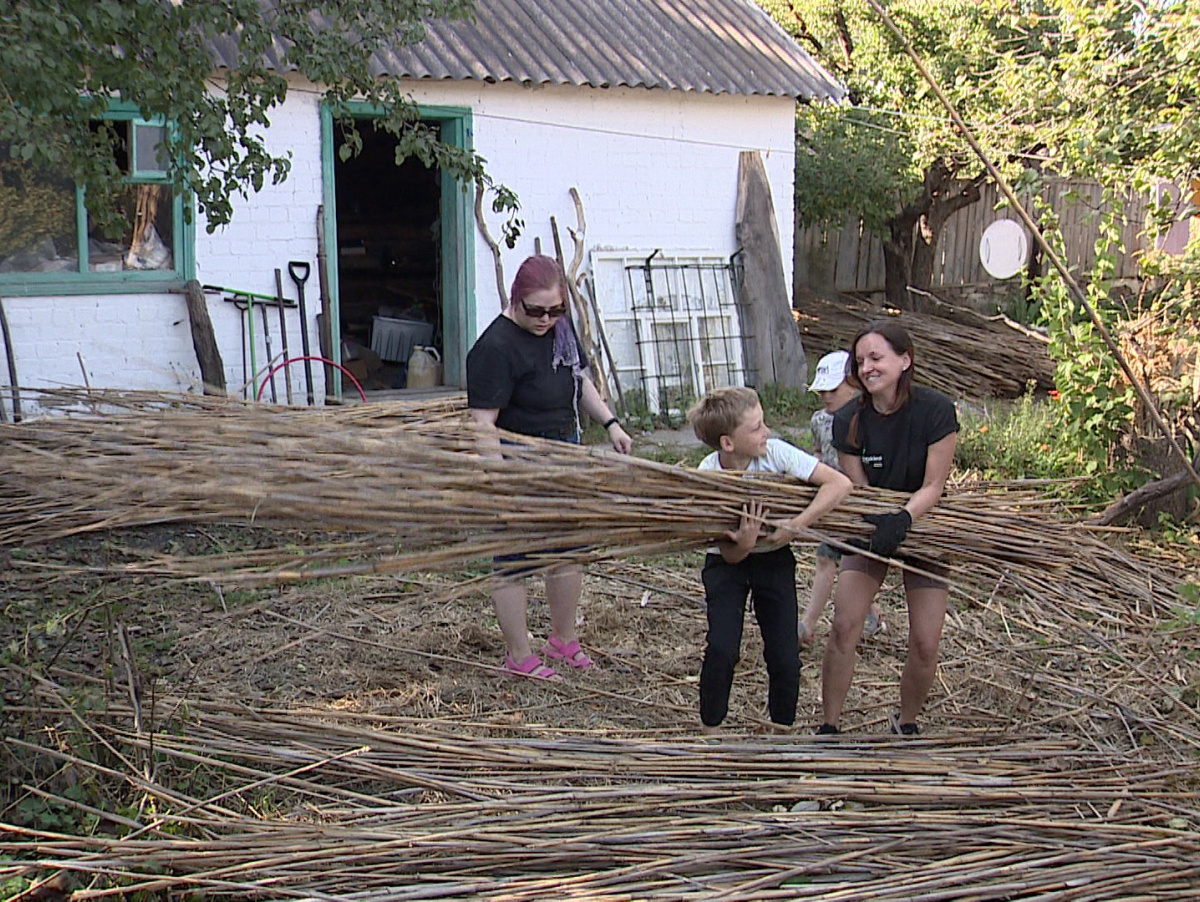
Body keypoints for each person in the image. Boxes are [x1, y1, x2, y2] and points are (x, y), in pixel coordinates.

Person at [466, 254, 633, 680]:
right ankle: (519, 656)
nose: (545, 319)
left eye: (555, 310)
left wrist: (610, 423)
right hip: (519, 460)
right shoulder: (494, 348)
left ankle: (561, 640)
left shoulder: (560, 327)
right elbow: (483, 423)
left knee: (567, 552)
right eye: (535, 310)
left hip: (564, 453)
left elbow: (579, 380)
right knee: (515, 560)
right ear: (515, 299)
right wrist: (499, 479)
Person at [818, 321, 959, 736]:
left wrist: (904, 519)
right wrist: (879, 520)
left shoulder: (936, 410)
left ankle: (907, 723)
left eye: (876, 358)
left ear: (905, 359)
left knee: (925, 642)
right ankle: (829, 726)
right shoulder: (848, 419)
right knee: (845, 625)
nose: (867, 368)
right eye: (861, 361)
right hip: (872, 524)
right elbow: (856, 487)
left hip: (924, 524)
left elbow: (935, 484)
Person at [688, 386, 852, 730]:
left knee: (784, 655)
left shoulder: (775, 453)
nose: (767, 432)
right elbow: (728, 553)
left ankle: (782, 729)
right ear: (727, 443)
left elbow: (839, 484)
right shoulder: (709, 476)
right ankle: (711, 728)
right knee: (722, 647)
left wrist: (795, 525)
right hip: (726, 564)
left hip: (775, 558)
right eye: (757, 427)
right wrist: (744, 544)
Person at [799, 350, 884, 646]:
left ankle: (808, 624)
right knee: (834, 558)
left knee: (834, 559)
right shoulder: (819, 421)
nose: (826, 397)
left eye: (832, 390)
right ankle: (869, 613)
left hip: (858, 501)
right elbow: (819, 455)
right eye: (821, 392)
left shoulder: (869, 419)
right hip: (832, 501)